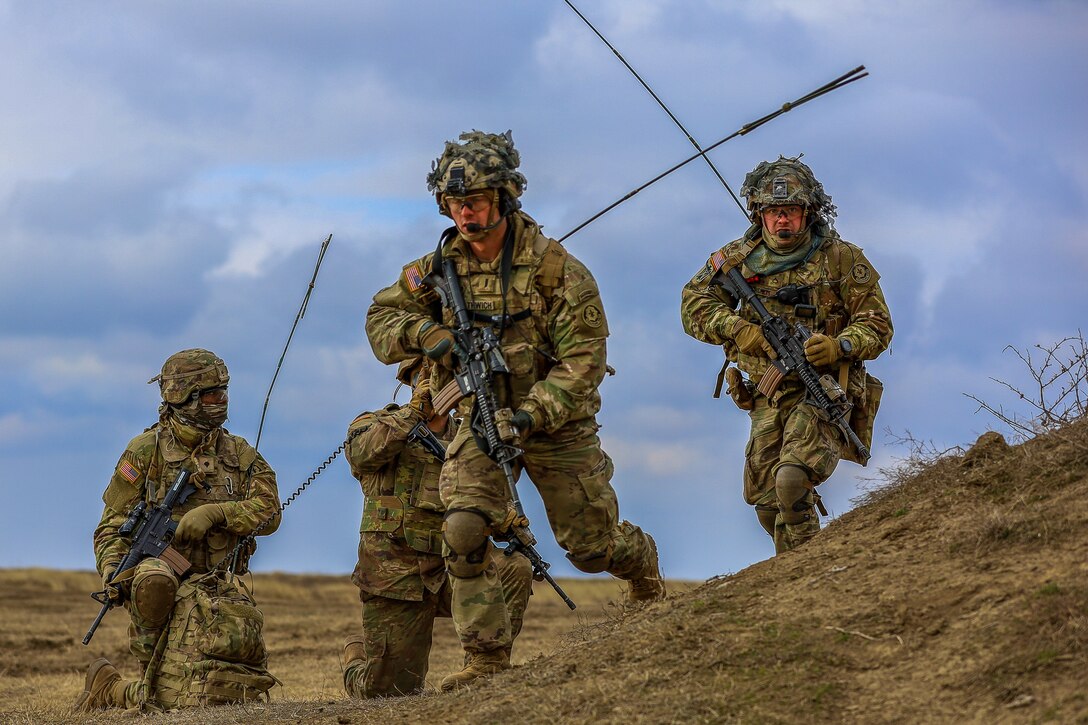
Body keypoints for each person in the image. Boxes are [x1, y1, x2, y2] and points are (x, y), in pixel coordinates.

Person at [365, 130, 665, 690]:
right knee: (462, 527)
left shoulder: (557, 271)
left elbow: (585, 360)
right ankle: (487, 659)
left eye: (476, 200)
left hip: (555, 425)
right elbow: (379, 320)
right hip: (478, 420)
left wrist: (530, 414)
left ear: (504, 197)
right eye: (455, 203)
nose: (465, 212)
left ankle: (641, 565)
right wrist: (422, 331)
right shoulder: (432, 270)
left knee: (590, 549)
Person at [680, 155, 893, 554]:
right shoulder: (737, 260)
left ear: (808, 212)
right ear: (758, 213)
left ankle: (813, 573)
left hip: (825, 390)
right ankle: (792, 576)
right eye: (774, 212)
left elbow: (878, 324)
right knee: (766, 504)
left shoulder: (840, 258)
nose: (782, 221)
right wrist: (739, 329)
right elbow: (693, 305)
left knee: (792, 481)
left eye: (791, 212)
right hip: (768, 392)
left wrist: (840, 344)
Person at [74, 348, 281, 713]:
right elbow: (110, 527)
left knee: (216, 696)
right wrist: (112, 570)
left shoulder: (239, 453)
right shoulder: (145, 451)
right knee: (154, 576)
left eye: (225, 392)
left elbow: (270, 512)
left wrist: (218, 513)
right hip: (158, 586)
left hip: (218, 587)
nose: (222, 401)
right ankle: (141, 677)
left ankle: (113, 689)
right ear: (184, 396)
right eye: (213, 394)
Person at [340, 357, 533, 698]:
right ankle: (356, 663)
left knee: (515, 568)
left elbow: (492, 488)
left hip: (454, 570)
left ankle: (486, 665)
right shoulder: (377, 423)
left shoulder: (470, 437)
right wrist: (415, 412)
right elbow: (361, 454)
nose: (436, 382)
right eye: (425, 375)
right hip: (396, 579)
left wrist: (501, 517)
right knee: (389, 693)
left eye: (445, 375)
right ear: (410, 379)